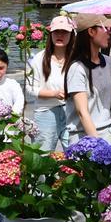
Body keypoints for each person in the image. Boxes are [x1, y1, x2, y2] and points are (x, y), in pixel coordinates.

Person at [64, 14, 111, 144]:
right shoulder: (77, 68)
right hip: (84, 137)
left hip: (109, 132)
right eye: (105, 28)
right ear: (91, 31)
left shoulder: (108, 62)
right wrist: (98, 145)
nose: (109, 33)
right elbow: (82, 112)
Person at [26, 16, 75, 151]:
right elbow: (30, 89)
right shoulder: (38, 59)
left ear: (71, 34)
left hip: (71, 111)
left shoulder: (76, 59)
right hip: (45, 112)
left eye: (64, 32)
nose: (60, 35)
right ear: (51, 34)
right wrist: (53, 94)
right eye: (56, 32)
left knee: (75, 156)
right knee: (42, 157)